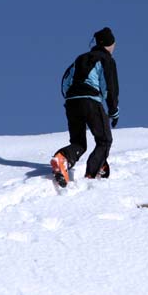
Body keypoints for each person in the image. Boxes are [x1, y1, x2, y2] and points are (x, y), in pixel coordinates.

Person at [50, 27, 119, 187]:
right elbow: (110, 88)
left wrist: (72, 98)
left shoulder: (80, 58)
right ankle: (91, 176)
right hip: (90, 101)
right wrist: (113, 110)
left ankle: (62, 158)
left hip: (72, 102)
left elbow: (65, 81)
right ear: (110, 44)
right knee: (104, 140)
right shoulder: (106, 59)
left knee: (79, 143)